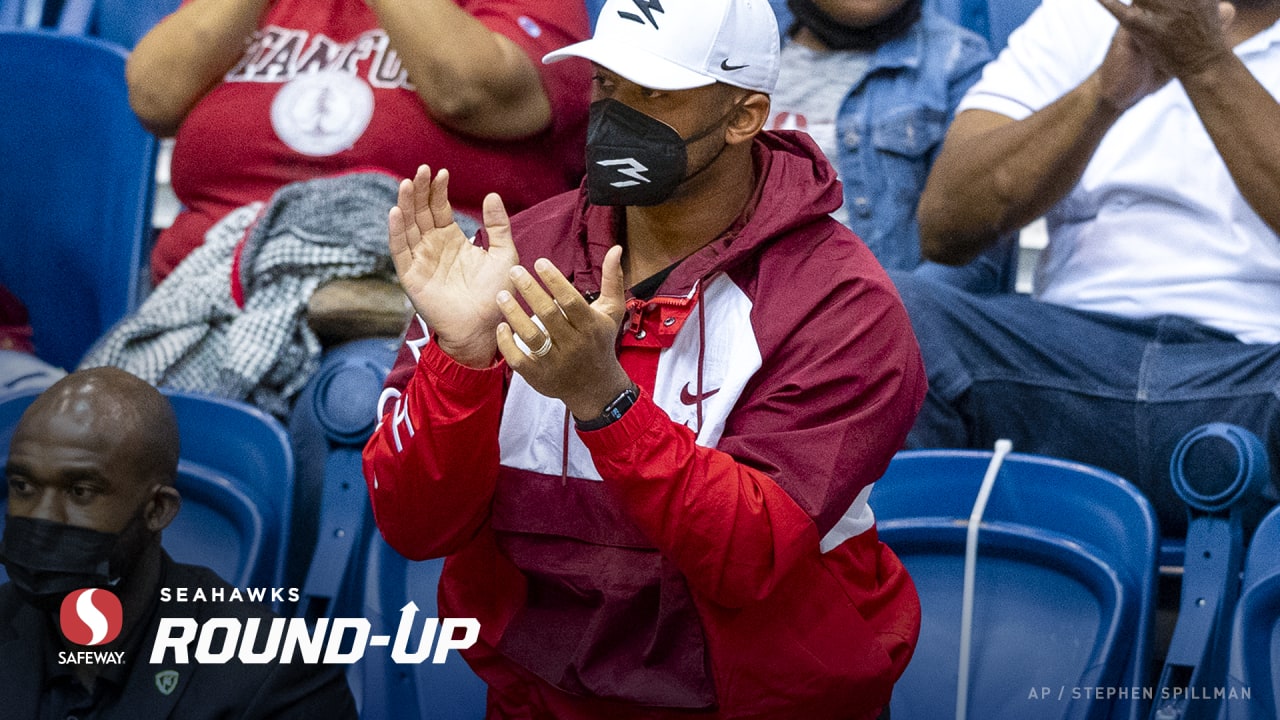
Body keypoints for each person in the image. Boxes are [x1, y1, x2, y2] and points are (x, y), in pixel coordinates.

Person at [362, 0, 927, 717]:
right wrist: (464, 359)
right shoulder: (512, 259)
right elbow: (414, 526)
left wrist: (608, 405)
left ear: (744, 117)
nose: (616, 115)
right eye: (606, 86)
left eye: (653, 93)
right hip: (536, 702)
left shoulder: (839, 304)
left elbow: (748, 558)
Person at [901, 0, 1280, 537]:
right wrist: (1102, 94)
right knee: (893, 314)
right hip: (1063, 367)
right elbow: (945, 228)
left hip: (1255, 373)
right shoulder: (1081, 16)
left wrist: (1202, 62)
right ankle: (912, 604)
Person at [126, 0, 591, 284]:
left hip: (407, 302)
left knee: (349, 398)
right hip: (209, 284)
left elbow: (473, 95)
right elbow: (153, 98)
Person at [0, 367, 358, 719]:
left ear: (157, 510)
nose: (42, 516)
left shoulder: (273, 670)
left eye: (80, 492)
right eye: (23, 487)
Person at [765, 0, 994, 277]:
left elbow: (974, 261)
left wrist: (881, 311)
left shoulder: (958, 64)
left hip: (880, 311)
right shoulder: (744, 62)